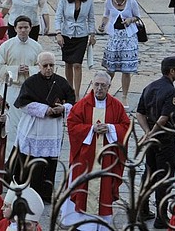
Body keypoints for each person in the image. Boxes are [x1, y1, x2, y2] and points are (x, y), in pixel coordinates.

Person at [61, 71, 130, 230]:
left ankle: (102, 225)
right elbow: (72, 125)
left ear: (109, 87)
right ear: (92, 85)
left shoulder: (116, 106)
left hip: (106, 159)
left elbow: (125, 127)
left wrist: (111, 128)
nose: (99, 88)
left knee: (104, 190)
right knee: (83, 190)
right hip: (86, 159)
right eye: (96, 85)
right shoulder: (82, 104)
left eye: (103, 85)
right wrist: (91, 129)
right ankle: (83, 226)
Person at [14, 51, 75, 203]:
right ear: (38, 66)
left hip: (52, 129)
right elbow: (23, 104)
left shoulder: (61, 82)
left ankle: (45, 195)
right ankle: (27, 193)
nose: (48, 68)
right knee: (30, 162)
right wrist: (44, 110)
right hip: (35, 127)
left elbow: (72, 101)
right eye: (45, 65)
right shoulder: (31, 82)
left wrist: (64, 108)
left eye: (51, 65)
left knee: (49, 163)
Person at [136, 56, 175, 228]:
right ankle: (161, 217)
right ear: (171, 71)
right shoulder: (171, 92)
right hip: (165, 140)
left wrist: (147, 133)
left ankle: (142, 209)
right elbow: (164, 117)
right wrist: (153, 132)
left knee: (149, 173)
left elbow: (139, 113)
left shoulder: (150, 87)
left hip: (152, 141)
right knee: (164, 177)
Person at [0, 15, 43, 156]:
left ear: (30, 28)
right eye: (20, 27)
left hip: (28, 90)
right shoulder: (6, 46)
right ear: (15, 28)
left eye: (25, 27)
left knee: (28, 125)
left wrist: (30, 70)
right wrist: (15, 70)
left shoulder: (36, 47)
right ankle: (10, 158)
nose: (23, 30)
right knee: (11, 126)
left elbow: (41, 68)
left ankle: (26, 155)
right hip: (11, 89)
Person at [97, 0, 141, 108]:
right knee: (110, 68)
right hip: (115, 36)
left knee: (126, 69)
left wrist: (129, 20)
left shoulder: (131, 2)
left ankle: (124, 96)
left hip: (128, 37)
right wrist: (102, 25)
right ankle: (106, 93)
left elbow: (137, 17)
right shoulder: (109, 2)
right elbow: (106, 15)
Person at [55, 0, 96, 98]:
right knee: (68, 63)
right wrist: (58, 33)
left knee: (77, 64)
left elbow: (91, 19)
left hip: (81, 35)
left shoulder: (89, 1)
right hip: (67, 34)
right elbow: (58, 17)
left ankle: (77, 94)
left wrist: (92, 35)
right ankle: (70, 89)